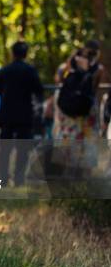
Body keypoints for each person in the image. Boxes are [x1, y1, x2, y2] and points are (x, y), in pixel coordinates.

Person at [0, 41, 44, 186]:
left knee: (5, 150)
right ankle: (19, 179)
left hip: (7, 115)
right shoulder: (30, 70)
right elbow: (39, 90)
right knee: (23, 150)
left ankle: (3, 179)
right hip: (25, 115)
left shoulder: (5, 70)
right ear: (26, 54)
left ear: (13, 53)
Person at [52, 39, 104, 178]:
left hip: (81, 111)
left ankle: (78, 175)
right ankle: (70, 174)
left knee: (80, 143)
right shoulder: (74, 66)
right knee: (73, 142)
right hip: (73, 111)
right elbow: (60, 79)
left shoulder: (96, 69)